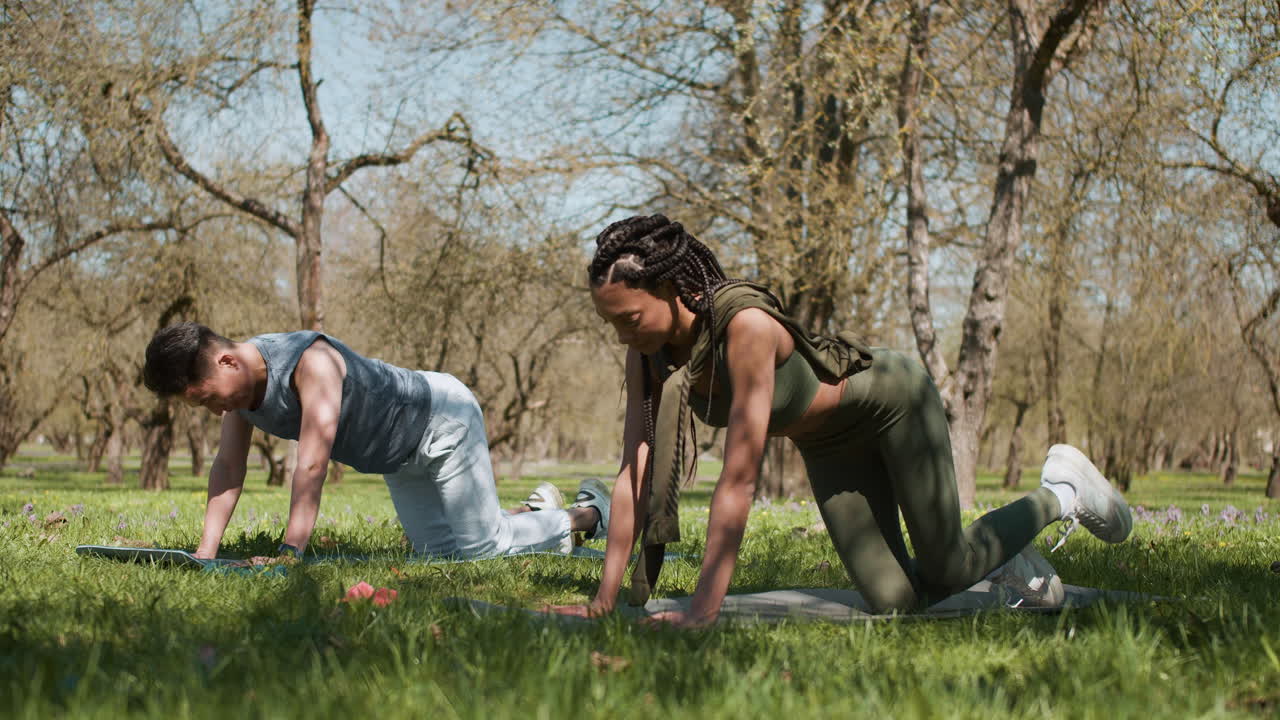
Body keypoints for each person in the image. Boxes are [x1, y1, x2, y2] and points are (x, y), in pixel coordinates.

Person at [553, 215, 1131, 627]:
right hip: (828, 446)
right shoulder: (649, 356)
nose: (623, 337)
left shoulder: (745, 329)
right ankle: (1006, 558)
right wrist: (605, 597)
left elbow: (738, 479)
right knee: (896, 604)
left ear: (673, 289)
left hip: (892, 405)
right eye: (613, 326)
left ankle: (1061, 492)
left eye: (629, 319)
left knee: (948, 564)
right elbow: (634, 469)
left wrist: (704, 606)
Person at [142, 323, 609, 561]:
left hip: (442, 420)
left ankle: (589, 514)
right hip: (399, 457)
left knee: (480, 548)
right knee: (442, 555)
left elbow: (311, 464)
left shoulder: (310, 363)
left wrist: (290, 552)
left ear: (226, 362)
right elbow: (228, 469)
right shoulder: (240, 393)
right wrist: (205, 552)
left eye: (206, 400)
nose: (215, 411)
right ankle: (532, 512)